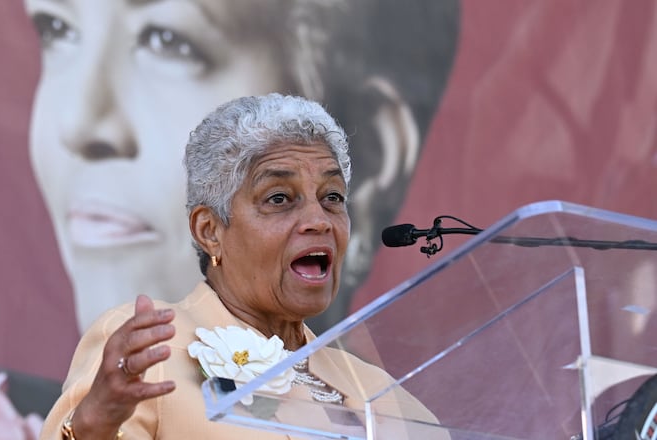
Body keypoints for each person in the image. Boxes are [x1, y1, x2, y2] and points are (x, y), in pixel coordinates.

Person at [23, 0, 460, 334]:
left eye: (168, 40)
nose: (76, 122)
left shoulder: (389, 417)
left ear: (368, 159)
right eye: (57, 28)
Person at [39, 94, 445, 439]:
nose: (319, 220)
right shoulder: (152, 350)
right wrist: (93, 427)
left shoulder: (376, 389)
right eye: (279, 198)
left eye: (332, 197)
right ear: (210, 230)